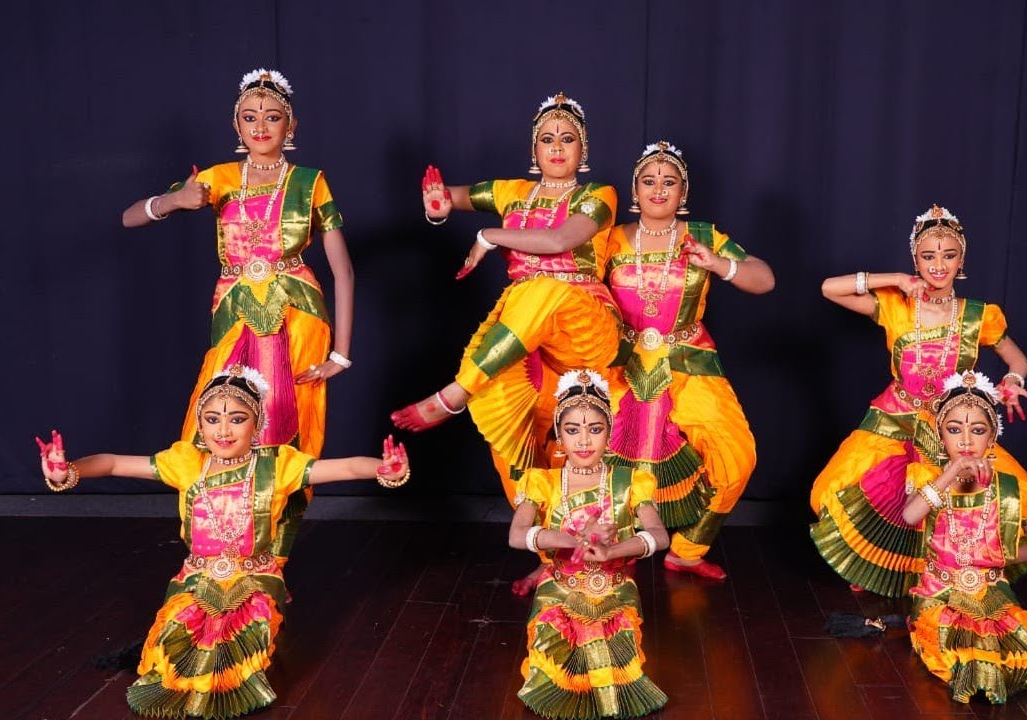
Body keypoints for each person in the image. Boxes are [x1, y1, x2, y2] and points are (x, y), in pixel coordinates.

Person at [36, 366, 409, 720]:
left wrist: (383, 469)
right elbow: (113, 463)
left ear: (257, 423)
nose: (224, 431)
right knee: (174, 654)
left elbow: (345, 467)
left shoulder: (276, 465)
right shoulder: (187, 463)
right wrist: (69, 470)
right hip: (197, 580)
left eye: (237, 419)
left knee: (233, 651)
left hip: (254, 579)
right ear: (200, 425)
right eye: (213, 419)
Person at [393, 93, 620, 504]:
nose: (556, 147)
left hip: (585, 326)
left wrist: (489, 235)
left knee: (543, 288)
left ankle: (453, 396)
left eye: (567, 139)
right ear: (534, 149)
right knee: (501, 407)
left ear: (583, 149)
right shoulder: (511, 191)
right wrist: (438, 206)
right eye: (547, 139)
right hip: (524, 329)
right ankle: (539, 530)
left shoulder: (599, 194)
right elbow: (451, 196)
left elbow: (560, 240)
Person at [121, 68, 354, 460]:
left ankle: (285, 499)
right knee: (222, 409)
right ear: (236, 126)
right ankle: (222, 498)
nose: (260, 127)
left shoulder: (310, 182)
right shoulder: (219, 178)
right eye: (250, 117)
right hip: (235, 307)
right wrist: (175, 200)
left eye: (272, 117)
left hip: (298, 311)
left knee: (289, 408)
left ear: (291, 125)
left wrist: (340, 355)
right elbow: (129, 217)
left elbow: (343, 271)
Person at [809, 204, 1027, 597]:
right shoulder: (896, 305)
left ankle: (937, 570)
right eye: (928, 256)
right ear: (915, 259)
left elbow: (1018, 360)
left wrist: (1012, 381)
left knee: (1002, 496)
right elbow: (829, 288)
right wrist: (896, 279)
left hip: (950, 427)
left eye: (948, 256)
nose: (938, 265)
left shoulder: (977, 315)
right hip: (894, 415)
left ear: (961, 261)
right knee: (833, 488)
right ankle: (875, 564)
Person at [603, 141, 774, 580]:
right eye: (649, 181)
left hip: (689, 360)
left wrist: (718, 264)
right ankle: (610, 548)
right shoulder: (610, 238)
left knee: (736, 456)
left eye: (669, 182)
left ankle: (687, 550)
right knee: (596, 454)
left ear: (684, 192)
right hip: (622, 363)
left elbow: (764, 279)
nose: (658, 189)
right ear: (635, 190)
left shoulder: (703, 235)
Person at [508, 370, 669, 719]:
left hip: (613, 592)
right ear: (559, 435)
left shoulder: (630, 481)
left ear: (609, 433)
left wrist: (612, 551)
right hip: (559, 593)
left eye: (595, 429)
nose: (583, 441)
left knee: (615, 675)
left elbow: (659, 536)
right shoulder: (543, 481)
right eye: (572, 430)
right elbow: (516, 534)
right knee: (556, 678)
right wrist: (572, 540)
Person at [902, 370, 1027, 704]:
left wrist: (996, 557)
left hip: (990, 592)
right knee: (954, 655)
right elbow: (910, 516)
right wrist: (950, 473)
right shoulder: (929, 478)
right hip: (941, 593)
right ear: (940, 434)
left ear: (992, 437)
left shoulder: (1009, 489)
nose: (966, 442)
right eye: (954, 429)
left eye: (977, 430)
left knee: (1019, 657)